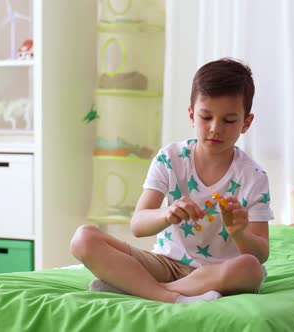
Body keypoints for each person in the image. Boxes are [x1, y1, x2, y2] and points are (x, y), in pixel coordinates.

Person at [70, 58, 273, 304]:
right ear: (191, 115)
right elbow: (138, 224)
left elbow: (261, 253)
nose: (215, 128)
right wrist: (167, 213)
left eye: (228, 121)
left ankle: (140, 288)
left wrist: (240, 233)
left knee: (251, 268)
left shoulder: (254, 177)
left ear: (246, 123)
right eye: (206, 117)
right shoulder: (171, 158)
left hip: (218, 272)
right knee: (84, 238)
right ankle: (168, 295)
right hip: (165, 263)